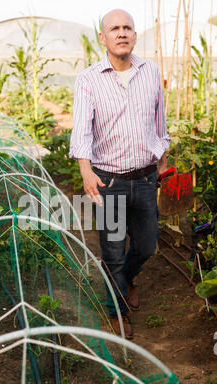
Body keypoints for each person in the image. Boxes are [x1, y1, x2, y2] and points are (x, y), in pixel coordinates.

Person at [69, 9, 171, 339]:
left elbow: (159, 124)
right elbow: (82, 131)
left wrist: (162, 159)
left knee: (146, 246)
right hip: (107, 182)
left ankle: (126, 280)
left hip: (144, 179)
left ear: (135, 35)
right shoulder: (88, 79)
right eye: (115, 28)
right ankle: (116, 310)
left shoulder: (150, 71)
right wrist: (86, 172)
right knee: (112, 252)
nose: (122, 33)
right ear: (104, 38)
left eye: (127, 27)